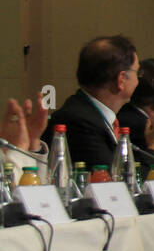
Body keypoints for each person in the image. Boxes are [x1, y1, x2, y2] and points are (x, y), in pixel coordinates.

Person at [41, 35, 139, 167]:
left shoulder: (93, 114)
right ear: (121, 79)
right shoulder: (79, 121)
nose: (138, 80)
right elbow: (111, 179)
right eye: (137, 72)